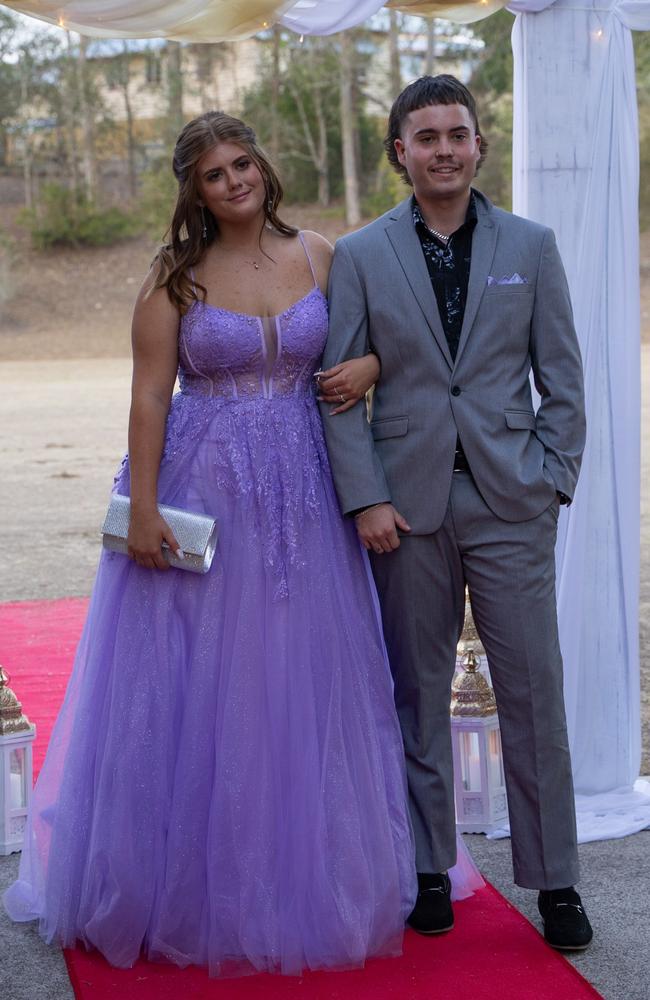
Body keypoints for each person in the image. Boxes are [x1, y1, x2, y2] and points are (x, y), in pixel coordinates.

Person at [4, 111, 429, 976]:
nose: (233, 181)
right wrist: (147, 508)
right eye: (213, 174)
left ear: (263, 166)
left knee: (302, 676)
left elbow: (374, 343)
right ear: (193, 191)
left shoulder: (320, 254)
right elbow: (151, 398)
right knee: (204, 684)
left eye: (242, 163)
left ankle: (310, 874)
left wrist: (372, 369)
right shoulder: (175, 278)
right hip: (208, 492)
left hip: (307, 493)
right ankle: (186, 887)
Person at [320, 75, 593, 951]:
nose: (443, 148)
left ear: (480, 146)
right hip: (406, 509)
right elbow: (338, 392)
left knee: (533, 693)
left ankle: (556, 882)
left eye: (458, 134)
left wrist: (552, 481)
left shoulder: (532, 244)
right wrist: (365, 497)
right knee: (417, 693)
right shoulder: (360, 255)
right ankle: (428, 866)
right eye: (425, 135)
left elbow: (564, 380)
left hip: (514, 502)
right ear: (399, 150)